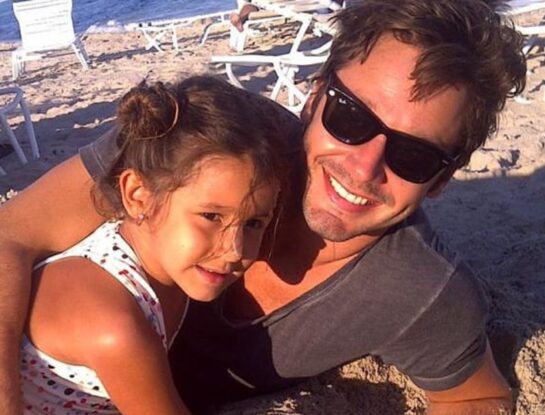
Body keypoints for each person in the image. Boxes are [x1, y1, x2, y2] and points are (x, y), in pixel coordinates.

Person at [0, 0, 527, 413]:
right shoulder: (200, 141)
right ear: (314, 96)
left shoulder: (420, 291)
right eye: (351, 117)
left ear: (442, 179)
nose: (364, 167)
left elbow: (478, 397)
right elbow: (12, 235)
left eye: (415, 155)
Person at [19, 76, 290, 414]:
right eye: (210, 216)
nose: (235, 249)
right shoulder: (114, 325)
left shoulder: (163, 268)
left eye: (253, 223)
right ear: (138, 196)